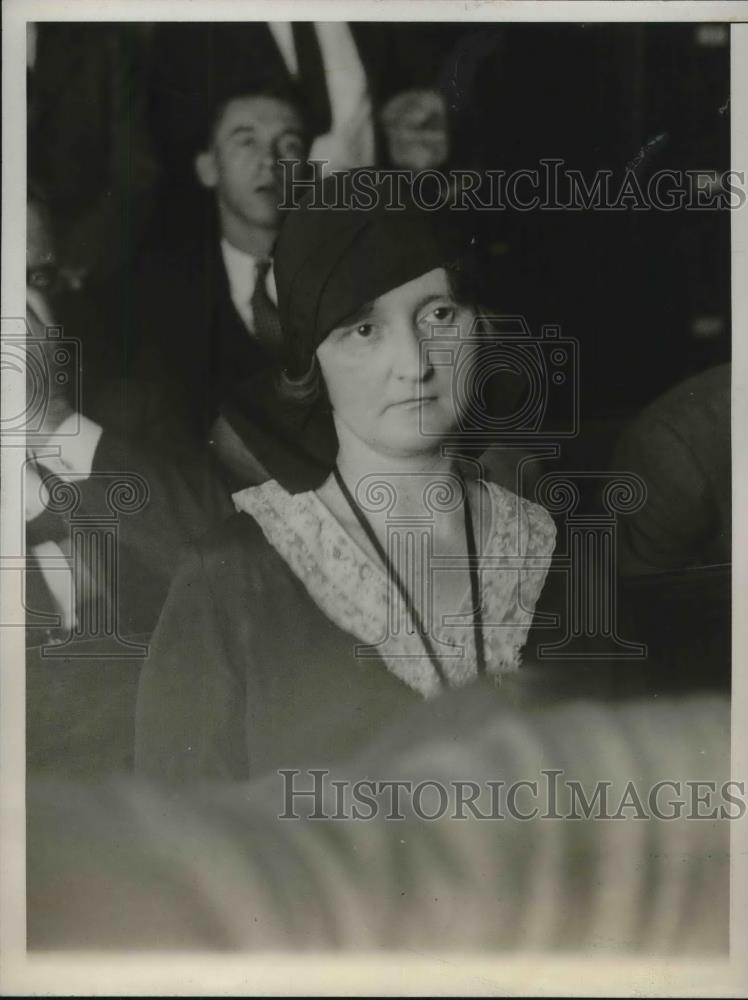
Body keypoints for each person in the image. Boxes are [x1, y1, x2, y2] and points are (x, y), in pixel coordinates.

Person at [134, 180, 557, 783]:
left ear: (480, 328)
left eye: (440, 314)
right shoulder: (232, 574)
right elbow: (175, 851)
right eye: (364, 330)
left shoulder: (551, 548)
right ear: (312, 362)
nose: (414, 364)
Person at [87, 87, 337, 493]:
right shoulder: (155, 295)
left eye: (288, 144)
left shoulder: (346, 278)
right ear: (208, 167)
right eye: (246, 141)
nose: (270, 161)